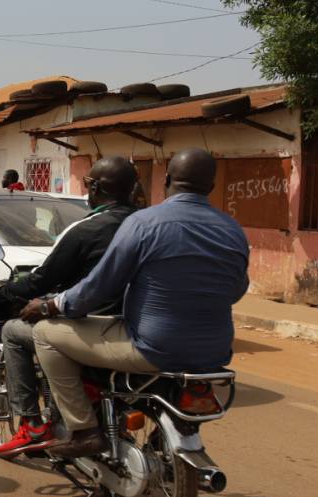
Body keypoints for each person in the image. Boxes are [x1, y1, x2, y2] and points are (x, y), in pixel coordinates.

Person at [22, 148, 249, 458]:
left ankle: (84, 429)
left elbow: (100, 286)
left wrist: (51, 307)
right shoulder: (233, 230)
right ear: (210, 186)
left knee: (45, 334)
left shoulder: (145, 223)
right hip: (214, 352)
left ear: (166, 179)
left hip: (152, 347)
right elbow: (236, 290)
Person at [0, 157, 138, 457]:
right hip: (138, 326)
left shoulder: (84, 229)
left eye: (87, 184)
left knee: (14, 331)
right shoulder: (145, 224)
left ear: (95, 188)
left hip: (93, 326)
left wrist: (3, 289)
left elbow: (40, 281)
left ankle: (31, 424)